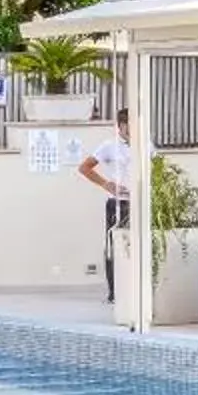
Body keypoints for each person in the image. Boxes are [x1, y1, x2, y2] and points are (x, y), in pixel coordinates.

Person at [78, 112, 137, 302]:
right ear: (119, 126)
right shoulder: (109, 146)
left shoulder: (145, 145)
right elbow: (84, 167)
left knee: (140, 244)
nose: (130, 128)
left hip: (140, 201)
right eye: (127, 124)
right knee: (115, 246)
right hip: (118, 203)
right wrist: (105, 184)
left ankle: (137, 290)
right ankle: (114, 292)